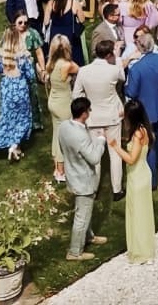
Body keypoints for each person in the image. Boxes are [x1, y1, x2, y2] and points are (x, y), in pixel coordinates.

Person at [73, 39, 127, 199]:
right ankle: (117, 190)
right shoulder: (113, 70)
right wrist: (117, 58)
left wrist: (87, 103)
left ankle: (93, 190)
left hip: (93, 118)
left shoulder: (83, 71)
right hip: (112, 117)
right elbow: (122, 77)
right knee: (115, 153)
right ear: (109, 54)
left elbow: (76, 94)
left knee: (95, 156)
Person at [122, 27, 158, 186]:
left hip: (145, 112)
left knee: (148, 145)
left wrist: (123, 87)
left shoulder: (137, 68)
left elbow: (131, 92)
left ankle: (152, 180)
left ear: (139, 47)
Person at [60, 97, 110, 261]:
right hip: (84, 181)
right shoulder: (80, 135)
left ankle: (89, 237)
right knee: (81, 216)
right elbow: (95, 157)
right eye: (88, 110)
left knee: (85, 212)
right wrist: (102, 140)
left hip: (73, 175)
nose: (90, 113)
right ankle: (74, 252)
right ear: (83, 114)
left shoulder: (65, 126)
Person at [108, 100, 157, 264]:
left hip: (137, 177)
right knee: (144, 212)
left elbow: (131, 159)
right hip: (143, 173)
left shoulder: (137, 135)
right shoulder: (145, 130)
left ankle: (141, 252)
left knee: (137, 214)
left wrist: (116, 147)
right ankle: (147, 250)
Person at [0, 27, 38, 160]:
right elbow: (31, 76)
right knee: (23, 119)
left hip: (6, 89)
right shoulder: (23, 56)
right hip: (20, 90)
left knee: (8, 118)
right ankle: (14, 145)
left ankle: (13, 145)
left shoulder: (0, 55)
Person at [44, 36, 81, 182]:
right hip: (64, 104)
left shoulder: (50, 63)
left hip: (53, 101)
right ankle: (61, 171)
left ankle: (56, 168)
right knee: (63, 137)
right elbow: (81, 70)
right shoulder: (68, 65)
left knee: (56, 134)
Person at [47, 0, 86, 67]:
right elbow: (82, 20)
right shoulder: (74, 3)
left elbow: (46, 22)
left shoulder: (51, 3)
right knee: (74, 59)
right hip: (70, 35)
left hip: (55, 35)